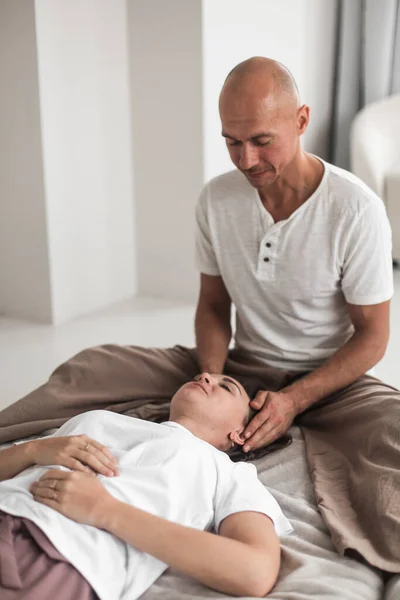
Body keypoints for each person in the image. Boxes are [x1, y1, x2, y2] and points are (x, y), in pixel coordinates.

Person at [0, 55, 398, 578]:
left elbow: (373, 338)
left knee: (393, 437)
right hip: (240, 362)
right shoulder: (217, 199)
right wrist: (213, 374)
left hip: (330, 382)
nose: (246, 158)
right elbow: (213, 306)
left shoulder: (356, 209)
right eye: (232, 142)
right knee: (93, 366)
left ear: (301, 120)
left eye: (261, 140)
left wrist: (294, 399)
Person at [0, 373, 292, 600]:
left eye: (226, 387)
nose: (204, 378)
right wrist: (33, 450)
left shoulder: (228, 471)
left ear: (240, 434)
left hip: (60, 554)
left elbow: (256, 571)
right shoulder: (99, 419)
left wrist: (105, 510)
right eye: (203, 376)